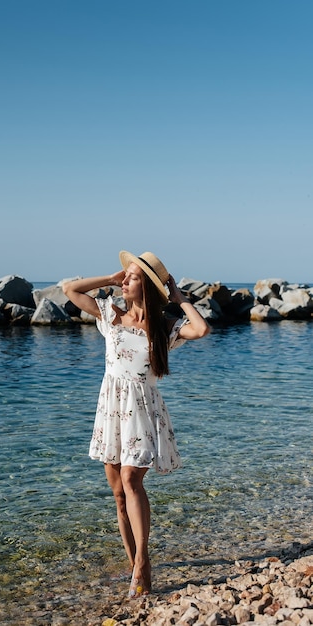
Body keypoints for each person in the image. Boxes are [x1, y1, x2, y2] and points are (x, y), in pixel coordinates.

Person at [62, 250, 210, 599]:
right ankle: (134, 568)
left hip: (143, 411)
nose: (125, 281)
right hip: (111, 410)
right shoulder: (110, 313)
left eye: (132, 277)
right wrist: (111, 279)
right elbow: (71, 289)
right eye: (126, 276)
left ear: (148, 287)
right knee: (117, 492)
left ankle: (143, 563)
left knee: (131, 479)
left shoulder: (163, 328)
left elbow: (202, 329)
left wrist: (179, 297)